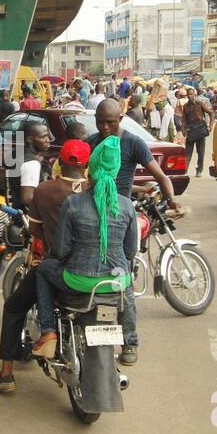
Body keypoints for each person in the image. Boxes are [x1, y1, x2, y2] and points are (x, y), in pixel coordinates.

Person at [0, 138, 92, 394]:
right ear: (87, 164)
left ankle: (7, 375)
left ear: (60, 162)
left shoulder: (45, 190)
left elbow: (34, 230)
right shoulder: (95, 189)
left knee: (13, 307)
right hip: (96, 267)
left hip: (57, 266)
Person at [86, 99, 181, 365]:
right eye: (100, 121)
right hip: (91, 216)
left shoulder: (134, 143)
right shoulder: (92, 142)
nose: (105, 127)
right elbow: (84, 180)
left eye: (110, 122)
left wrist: (171, 199)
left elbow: (162, 177)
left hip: (121, 219)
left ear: (121, 118)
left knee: (122, 279)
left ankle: (129, 342)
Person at [30, 135, 139, 361]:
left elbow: (61, 249)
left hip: (77, 280)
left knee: (42, 270)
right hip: (115, 282)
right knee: (127, 282)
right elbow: (130, 252)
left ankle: (48, 331)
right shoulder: (127, 206)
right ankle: (130, 344)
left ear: (92, 168)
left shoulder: (74, 203)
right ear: (116, 170)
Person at [181, 86, 212, 178]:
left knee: (201, 152)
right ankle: (185, 170)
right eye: (188, 94)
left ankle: (199, 170)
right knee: (188, 152)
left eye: (191, 94)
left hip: (200, 130)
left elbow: (211, 112)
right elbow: (184, 119)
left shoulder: (200, 103)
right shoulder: (185, 106)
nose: (190, 96)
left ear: (195, 95)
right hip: (191, 130)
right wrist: (183, 129)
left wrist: (210, 126)